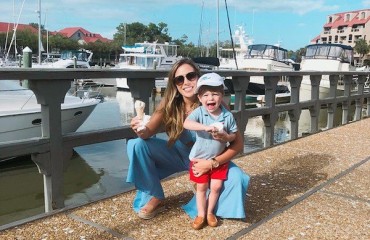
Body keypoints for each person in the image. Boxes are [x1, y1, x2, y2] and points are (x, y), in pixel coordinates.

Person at [126, 58, 250, 222]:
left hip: (208, 159)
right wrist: (139, 127)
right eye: (179, 79)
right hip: (177, 155)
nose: (186, 82)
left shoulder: (216, 104)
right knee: (136, 144)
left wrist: (213, 163)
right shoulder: (169, 104)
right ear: (175, 84)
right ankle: (155, 195)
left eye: (191, 76)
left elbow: (238, 144)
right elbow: (147, 134)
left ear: (199, 78)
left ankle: (204, 202)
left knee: (237, 178)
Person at [183, 72, 238, 230]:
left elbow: (234, 136)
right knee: (201, 188)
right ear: (199, 98)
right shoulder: (200, 112)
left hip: (218, 159)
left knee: (216, 187)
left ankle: (210, 213)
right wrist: (205, 127)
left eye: (215, 94)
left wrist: (225, 136)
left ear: (222, 96)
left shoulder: (227, 116)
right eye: (205, 95)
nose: (210, 98)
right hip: (199, 159)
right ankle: (200, 214)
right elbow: (187, 123)